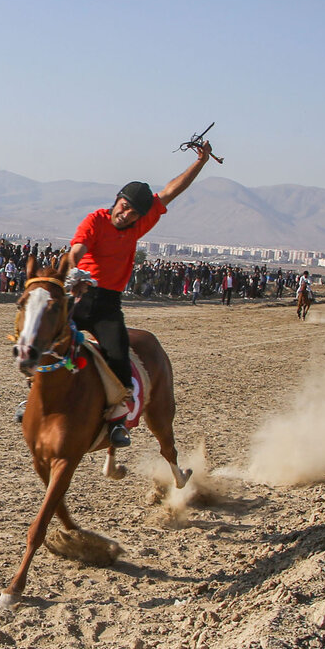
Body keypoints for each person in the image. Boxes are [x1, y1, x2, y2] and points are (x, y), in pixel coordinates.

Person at [62, 139, 213, 447]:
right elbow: (77, 248)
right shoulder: (96, 220)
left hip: (107, 307)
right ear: (117, 199)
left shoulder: (137, 226)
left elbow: (170, 191)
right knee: (47, 342)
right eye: (125, 206)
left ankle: (117, 421)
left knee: (119, 359)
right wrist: (71, 271)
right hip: (79, 298)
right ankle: (34, 396)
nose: (127, 214)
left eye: (133, 213)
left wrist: (200, 162)